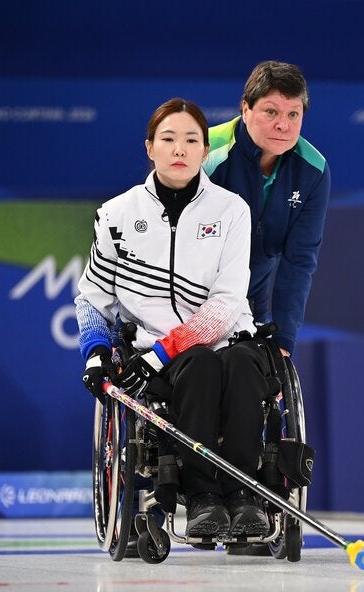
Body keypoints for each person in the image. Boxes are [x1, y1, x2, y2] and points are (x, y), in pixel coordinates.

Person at [75, 98, 273, 541]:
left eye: (191, 140)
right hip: (159, 352)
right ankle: (203, 498)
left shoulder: (232, 210)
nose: (179, 149)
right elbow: (92, 299)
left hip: (226, 338)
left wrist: (165, 352)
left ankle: (245, 496)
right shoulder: (116, 215)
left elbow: (226, 303)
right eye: (168, 139)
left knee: (242, 364)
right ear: (150, 148)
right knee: (199, 364)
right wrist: (95, 353)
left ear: (205, 150)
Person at [202, 60, 330, 357]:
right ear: (245, 108)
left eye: (293, 114)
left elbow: (299, 261)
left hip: (249, 303)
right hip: (189, 299)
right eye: (271, 112)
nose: (283, 125)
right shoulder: (205, 150)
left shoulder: (314, 170)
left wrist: (284, 340)